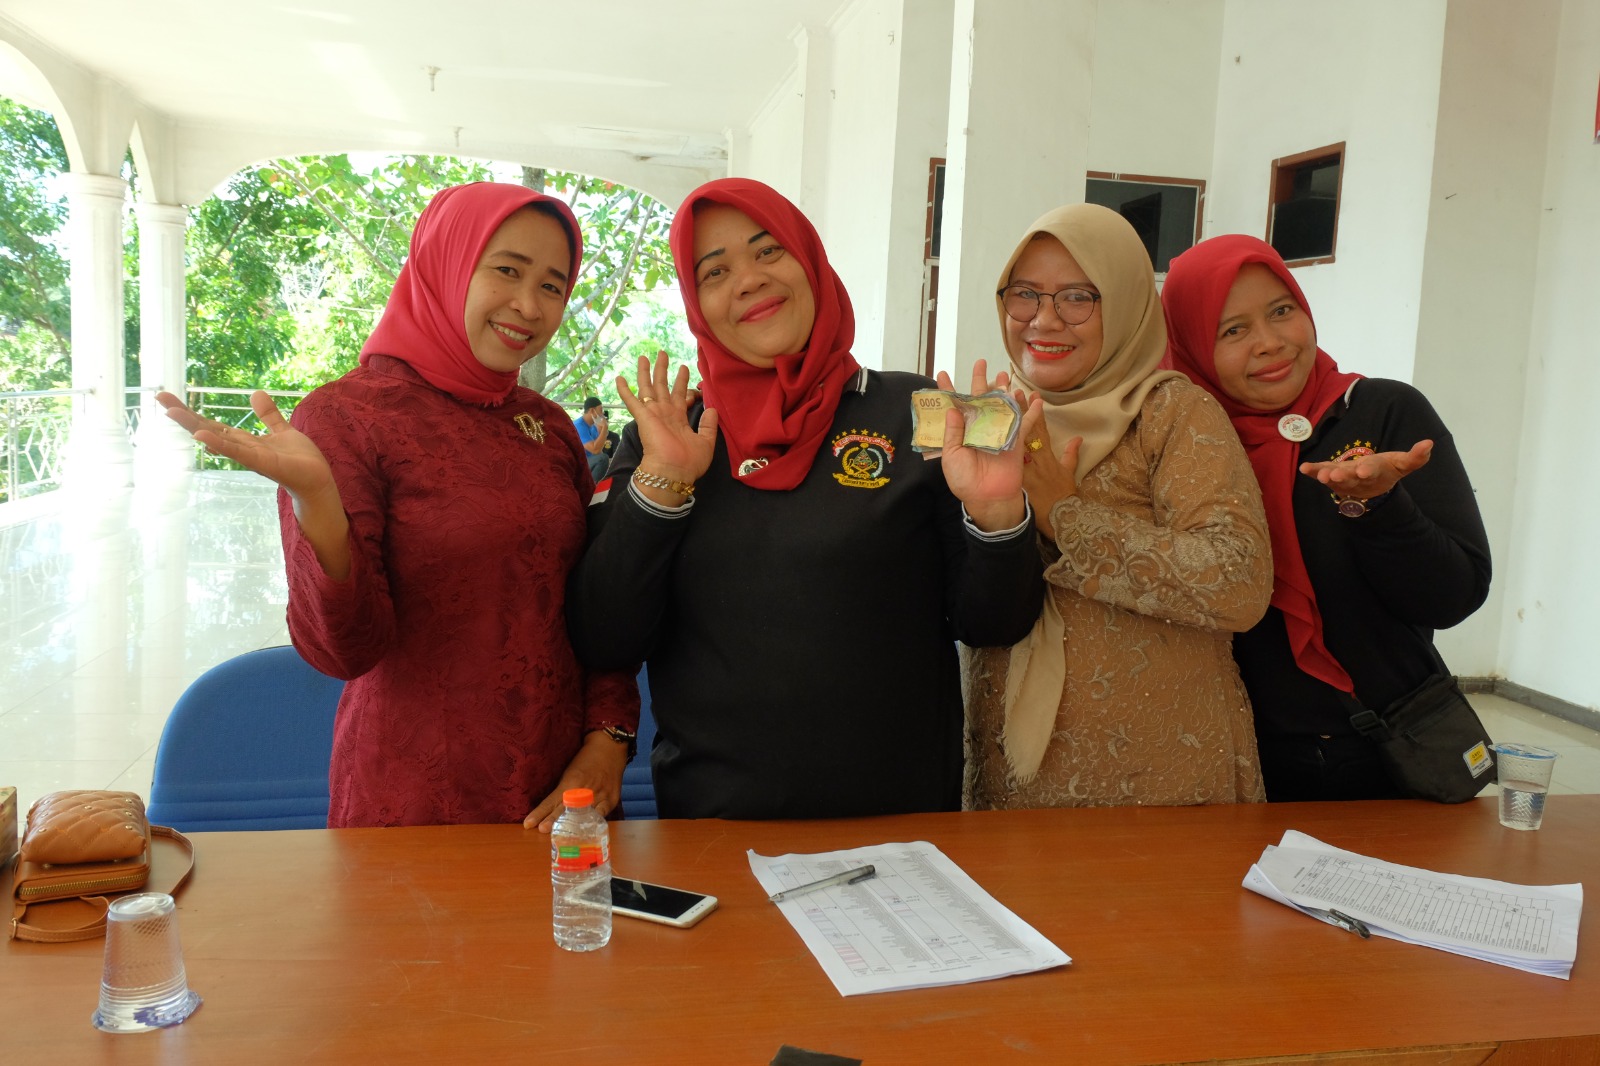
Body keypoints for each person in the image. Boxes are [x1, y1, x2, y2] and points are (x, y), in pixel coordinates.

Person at [159, 182, 639, 830]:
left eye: (552, 286)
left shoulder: (548, 426)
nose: (529, 305)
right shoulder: (347, 417)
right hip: (414, 801)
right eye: (507, 270)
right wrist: (318, 504)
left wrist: (609, 739)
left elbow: (596, 606)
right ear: (445, 265)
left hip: (567, 797)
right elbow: (344, 653)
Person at [567, 177, 1045, 820]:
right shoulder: (667, 437)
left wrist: (996, 512)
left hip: (900, 833)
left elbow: (992, 625)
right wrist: (663, 485)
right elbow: (607, 638)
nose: (748, 279)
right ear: (697, 305)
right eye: (715, 271)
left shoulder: (914, 414)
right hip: (712, 832)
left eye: (769, 251)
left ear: (812, 263)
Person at [962, 204, 1274, 811]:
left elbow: (1238, 581)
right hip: (1011, 782)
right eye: (1024, 294)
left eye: (1079, 297)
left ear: (1128, 302)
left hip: (1161, 782)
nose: (1044, 319)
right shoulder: (992, 415)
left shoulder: (1170, 413)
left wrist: (1065, 517)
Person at [1161, 234, 1491, 801]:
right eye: (1232, 330)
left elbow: (1454, 597)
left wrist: (1382, 507)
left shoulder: (1384, 412)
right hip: (1236, 764)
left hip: (1387, 754)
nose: (1270, 343)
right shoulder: (1179, 443)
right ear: (1189, 344)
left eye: (1281, 311)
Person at [575, 396, 610, 481]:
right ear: (592, 411)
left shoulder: (593, 426)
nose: (602, 413)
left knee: (609, 462)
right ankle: (592, 487)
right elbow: (595, 450)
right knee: (603, 459)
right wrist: (604, 428)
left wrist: (601, 430)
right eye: (600, 410)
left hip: (589, 462)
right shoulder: (579, 425)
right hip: (577, 464)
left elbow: (599, 450)